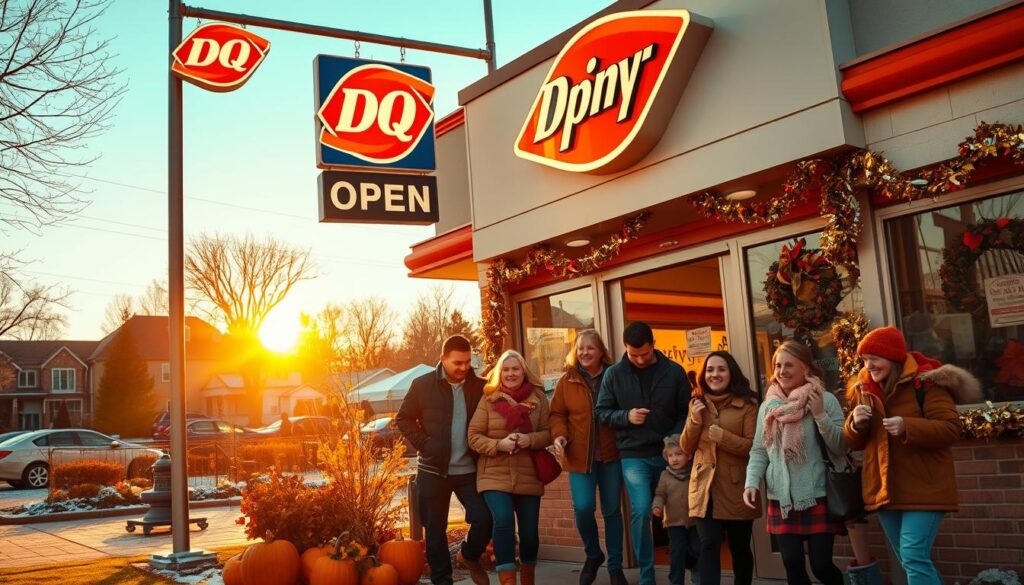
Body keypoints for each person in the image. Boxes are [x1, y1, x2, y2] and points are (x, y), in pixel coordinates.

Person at [844, 326, 980, 585]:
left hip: (924, 487)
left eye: (875, 357)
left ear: (893, 357)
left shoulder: (926, 384)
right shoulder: (864, 389)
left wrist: (908, 426)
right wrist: (855, 424)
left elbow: (952, 428)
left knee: (913, 556)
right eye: (864, 359)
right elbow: (854, 442)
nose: (868, 365)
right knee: (911, 560)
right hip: (884, 489)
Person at [595, 321, 691, 585]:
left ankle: (682, 574)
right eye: (632, 354)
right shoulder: (613, 374)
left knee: (679, 512)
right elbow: (601, 412)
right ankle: (646, 577)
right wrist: (626, 416)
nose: (638, 359)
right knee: (641, 510)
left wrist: (673, 439)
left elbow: (686, 412)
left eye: (644, 354)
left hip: (668, 455)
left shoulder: (674, 372)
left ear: (654, 345)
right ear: (625, 348)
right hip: (633, 455)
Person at [743, 341, 845, 585]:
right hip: (782, 498)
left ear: (805, 368)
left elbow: (841, 445)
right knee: (793, 567)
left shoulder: (825, 399)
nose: (781, 371)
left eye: (789, 365)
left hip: (817, 493)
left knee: (821, 566)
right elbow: (759, 450)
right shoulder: (769, 407)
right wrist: (751, 482)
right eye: (777, 365)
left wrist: (819, 414)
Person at [396, 335, 492, 585]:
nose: (463, 368)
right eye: (457, 363)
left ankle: (468, 555)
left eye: (467, 362)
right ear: (443, 360)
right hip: (432, 470)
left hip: (469, 471)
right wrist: (427, 444)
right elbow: (403, 419)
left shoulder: (481, 387)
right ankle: (442, 581)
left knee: (484, 518)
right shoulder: (422, 385)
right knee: (435, 530)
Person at [468, 349, 552, 585]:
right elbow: (473, 436)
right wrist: (499, 444)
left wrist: (531, 440)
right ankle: (507, 582)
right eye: (506, 369)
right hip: (494, 474)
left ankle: (527, 580)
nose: (511, 373)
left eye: (515, 369)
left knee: (529, 536)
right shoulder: (488, 399)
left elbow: (549, 432)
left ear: (523, 371)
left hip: (528, 474)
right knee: (503, 520)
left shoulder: (537, 399)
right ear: (499, 373)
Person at [549, 330, 626, 585]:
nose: (584, 353)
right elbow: (557, 414)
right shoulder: (567, 380)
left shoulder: (615, 376)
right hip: (579, 457)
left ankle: (615, 567)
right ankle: (593, 554)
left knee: (612, 510)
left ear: (601, 351)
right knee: (582, 509)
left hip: (611, 456)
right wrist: (560, 436)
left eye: (590, 348)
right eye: (580, 349)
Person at [681, 351, 759, 585]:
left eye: (721, 369)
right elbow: (686, 446)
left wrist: (723, 437)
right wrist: (695, 420)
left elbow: (754, 447)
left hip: (736, 486)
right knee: (708, 543)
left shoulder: (748, 404)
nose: (715, 374)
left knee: (739, 547)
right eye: (710, 370)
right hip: (705, 484)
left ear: (731, 372)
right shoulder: (696, 403)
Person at [653, 434, 701, 585]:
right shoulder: (665, 475)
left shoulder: (694, 473)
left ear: (688, 455)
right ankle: (676, 581)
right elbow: (660, 494)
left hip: (694, 521)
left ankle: (698, 578)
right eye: (670, 455)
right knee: (677, 554)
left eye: (678, 454)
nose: (674, 459)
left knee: (697, 550)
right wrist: (657, 506)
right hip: (674, 523)